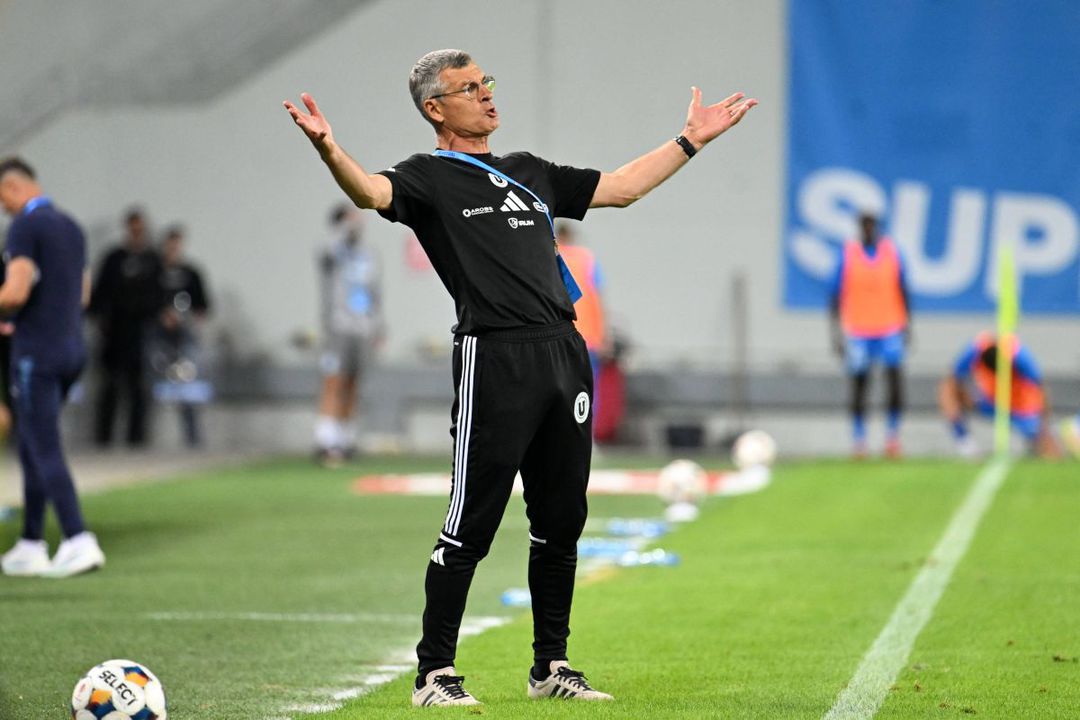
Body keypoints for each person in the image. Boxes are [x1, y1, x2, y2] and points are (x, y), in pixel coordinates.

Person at [284, 48, 756, 706]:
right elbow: (369, 192)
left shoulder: (528, 171)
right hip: (495, 358)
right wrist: (329, 148)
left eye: (486, 83)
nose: (486, 94)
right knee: (470, 524)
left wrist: (690, 141)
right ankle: (433, 674)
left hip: (564, 352)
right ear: (434, 108)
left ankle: (551, 667)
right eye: (468, 88)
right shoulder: (428, 177)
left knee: (561, 521)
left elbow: (621, 187)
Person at [0, 157, 106, 577]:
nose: (4, 208)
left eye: (2, 199)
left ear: (12, 188)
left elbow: (15, 292)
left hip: (36, 354)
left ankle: (78, 538)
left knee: (43, 446)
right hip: (71, 348)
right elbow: (82, 295)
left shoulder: (24, 227)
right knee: (31, 441)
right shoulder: (71, 226)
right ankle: (30, 542)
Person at [829, 212, 912, 458]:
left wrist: (908, 326)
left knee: (894, 382)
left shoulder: (892, 253)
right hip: (858, 330)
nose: (868, 229)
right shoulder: (847, 254)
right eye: (864, 225)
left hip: (890, 327)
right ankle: (859, 439)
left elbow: (903, 289)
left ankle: (892, 436)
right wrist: (836, 334)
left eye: (871, 225)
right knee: (859, 385)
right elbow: (835, 296)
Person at [313, 203, 383, 466]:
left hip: (362, 328)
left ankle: (345, 439)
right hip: (338, 327)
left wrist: (378, 326)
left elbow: (375, 293)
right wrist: (342, 230)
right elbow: (327, 257)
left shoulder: (369, 255)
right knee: (334, 380)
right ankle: (326, 440)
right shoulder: (333, 251)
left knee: (354, 382)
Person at [87, 208, 163, 448]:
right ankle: (103, 438)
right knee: (110, 386)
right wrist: (98, 316)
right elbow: (99, 293)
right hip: (115, 333)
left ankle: (136, 439)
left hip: (143, 333)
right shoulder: (114, 259)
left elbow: (160, 296)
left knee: (139, 388)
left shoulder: (153, 260)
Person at [938, 332, 1060, 458]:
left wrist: (1044, 426)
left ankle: (1043, 439)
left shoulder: (1021, 356)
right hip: (989, 401)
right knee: (949, 391)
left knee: (1049, 450)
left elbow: (1041, 390)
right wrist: (964, 397)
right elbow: (951, 380)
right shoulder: (975, 350)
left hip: (1020, 408)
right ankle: (966, 445)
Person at [151, 225, 211, 448]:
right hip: (157, 336)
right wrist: (161, 315)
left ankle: (192, 439)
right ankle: (146, 438)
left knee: (188, 388)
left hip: (185, 337)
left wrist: (186, 318)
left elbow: (203, 306)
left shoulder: (191, 273)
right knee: (150, 385)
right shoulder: (153, 273)